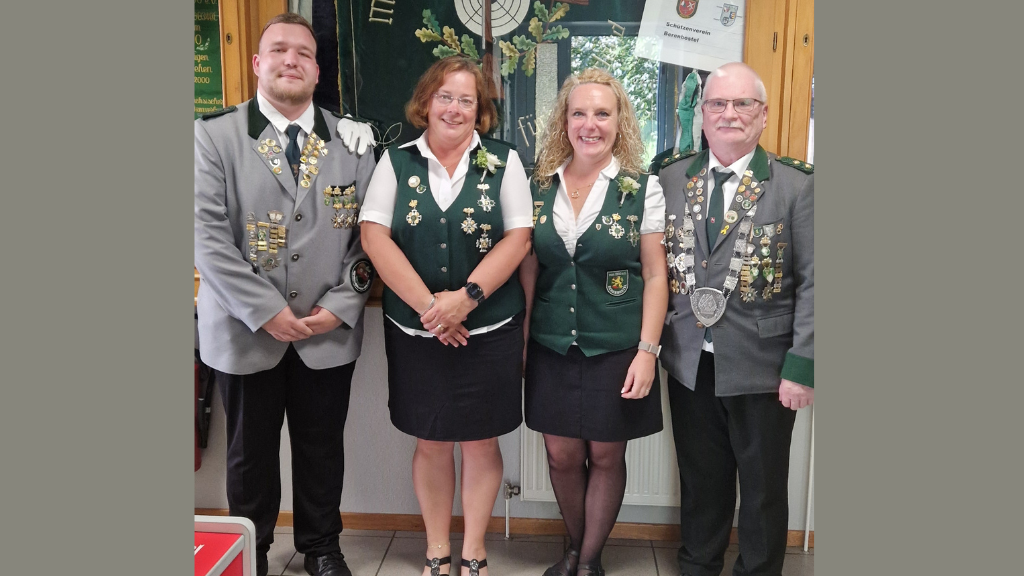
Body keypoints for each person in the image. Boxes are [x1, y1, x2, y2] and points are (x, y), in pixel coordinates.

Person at [194, 13, 376, 576]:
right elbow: (205, 237)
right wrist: (267, 311)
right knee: (248, 454)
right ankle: (250, 552)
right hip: (244, 331)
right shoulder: (213, 136)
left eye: (304, 52)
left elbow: (371, 239)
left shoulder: (353, 142)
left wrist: (340, 307)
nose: (291, 59)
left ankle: (322, 547)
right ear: (257, 63)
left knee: (322, 447)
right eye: (278, 49)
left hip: (326, 329)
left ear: (318, 71)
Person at [358, 56, 533, 576]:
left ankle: (474, 550)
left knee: (481, 441)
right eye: (445, 97)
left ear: (480, 110)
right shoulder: (396, 162)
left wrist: (467, 298)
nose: (454, 108)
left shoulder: (505, 161)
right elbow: (374, 236)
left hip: (490, 330)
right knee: (431, 440)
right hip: (418, 331)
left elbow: (519, 238)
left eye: (466, 100)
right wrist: (433, 309)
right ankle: (437, 549)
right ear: (426, 102)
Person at [653, 62, 814, 576]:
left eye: (744, 103)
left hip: (764, 366)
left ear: (763, 115)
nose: (730, 114)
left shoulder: (796, 185)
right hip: (690, 362)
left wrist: (802, 367)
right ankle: (698, 567)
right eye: (718, 104)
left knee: (763, 490)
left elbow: (817, 282)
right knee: (701, 482)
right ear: (701, 115)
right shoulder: (671, 178)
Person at [519, 68, 669, 576]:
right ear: (564, 122)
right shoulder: (539, 185)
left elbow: (655, 275)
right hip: (551, 344)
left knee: (606, 457)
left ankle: (586, 563)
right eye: (579, 113)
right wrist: (523, 343)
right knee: (561, 457)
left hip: (617, 347)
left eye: (602, 113)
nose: (590, 124)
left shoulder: (642, 190)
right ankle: (577, 551)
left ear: (619, 121)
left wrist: (647, 352)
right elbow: (530, 269)